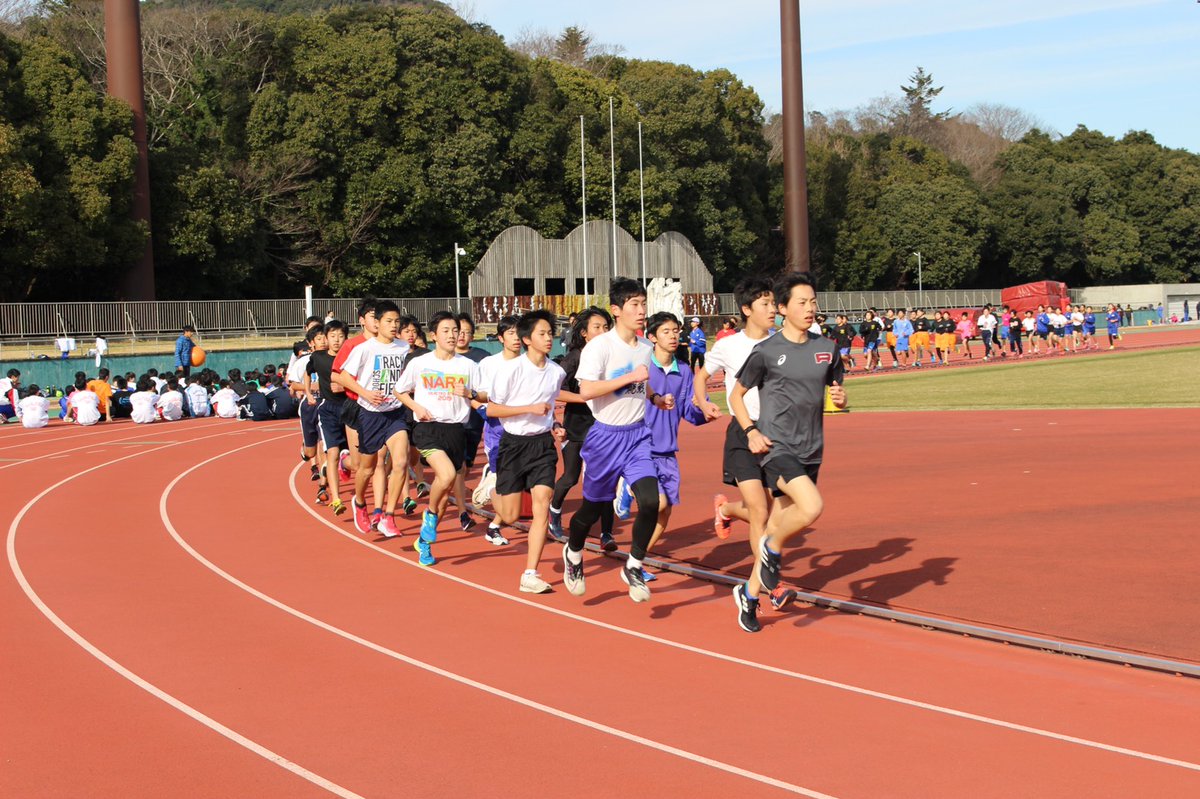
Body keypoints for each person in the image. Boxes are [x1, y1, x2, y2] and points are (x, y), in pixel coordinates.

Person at [729, 272, 847, 633]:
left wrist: (842, 400)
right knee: (812, 507)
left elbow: (836, 390)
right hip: (777, 448)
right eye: (802, 302)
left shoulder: (827, 348)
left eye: (813, 301)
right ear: (783, 309)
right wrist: (750, 432)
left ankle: (748, 595)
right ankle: (774, 550)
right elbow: (734, 396)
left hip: (813, 449)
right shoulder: (766, 351)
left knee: (776, 524)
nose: (810, 308)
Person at [562, 277, 665, 603]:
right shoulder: (599, 347)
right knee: (591, 511)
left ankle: (633, 565)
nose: (641, 310)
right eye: (634, 305)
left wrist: (655, 397)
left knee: (651, 501)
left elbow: (641, 384)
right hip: (605, 437)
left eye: (643, 304)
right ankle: (574, 552)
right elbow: (588, 390)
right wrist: (630, 377)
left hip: (637, 436)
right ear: (617, 310)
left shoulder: (646, 348)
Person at [484, 310, 567, 593]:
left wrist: (555, 424)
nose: (548, 338)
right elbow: (493, 409)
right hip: (512, 444)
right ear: (527, 339)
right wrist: (528, 409)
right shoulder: (510, 370)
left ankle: (530, 573)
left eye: (550, 333)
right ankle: (491, 486)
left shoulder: (557, 372)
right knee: (509, 516)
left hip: (542, 444)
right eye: (542, 334)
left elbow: (550, 404)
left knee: (542, 502)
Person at [394, 311, 480, 566]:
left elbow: (483, 395)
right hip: (428, 429)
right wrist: (417, 408)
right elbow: (400, 391)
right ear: (433, 336)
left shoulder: (468, 366)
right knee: (447, 476)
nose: (453, 335)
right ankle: (429, 517)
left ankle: (424, 543)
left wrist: (470, 392)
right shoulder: (420, 363)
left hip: (456, 430)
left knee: (443, 500)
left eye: (456, 330)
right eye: (446, 331)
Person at [628, 312, 709, 580]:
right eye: (666, 331)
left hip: (667, 451)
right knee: (658, 501)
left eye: (676, 330)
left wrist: (703, 410)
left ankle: (635, 563)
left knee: (665, 512)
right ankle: (624, 487)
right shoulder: (641, 368)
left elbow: (690, 411)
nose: (673, 335)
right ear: (651, 337)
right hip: (639, 447)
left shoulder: (683, 371)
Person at [334, 300, 411, 540]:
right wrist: (366, 393)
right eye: (389, 321)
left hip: (395, 413)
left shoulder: (403, 347)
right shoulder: (365, 348)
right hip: (369, 414)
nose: (394, 325)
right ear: (376, 323)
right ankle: (359, 502)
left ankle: (388, 516)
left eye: (397, 321)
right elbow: (343, 378)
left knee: (400, 462)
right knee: (366, 468)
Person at [549, 308, 617, 549]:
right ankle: (554, 511)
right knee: (570, 476)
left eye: (606, 327)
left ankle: (607, 533)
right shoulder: (575, 357)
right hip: (577, 426)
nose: (603, 331)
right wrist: (585, 397)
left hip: (605, 425)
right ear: (584, 333)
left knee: (604, 478)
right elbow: (555, 390)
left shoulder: (613, 356)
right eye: (596, 327)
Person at [474, 315, 523, 530]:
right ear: (501, 337)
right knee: (504, 480)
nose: (517, 338)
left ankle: (494, 525)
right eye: (511, 333)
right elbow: (476, 395)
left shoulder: (531, 362)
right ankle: (491, 485)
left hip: (525, 429)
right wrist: (488, 406)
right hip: (497, 429)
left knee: (520, 479)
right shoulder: (489, 364)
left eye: (520, 332)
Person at [308, 319, 350, 515]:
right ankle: (336, 498)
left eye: (341, 336)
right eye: (332, 336)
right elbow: (308, 372)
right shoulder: (317, 357)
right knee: (331, 454)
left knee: (359, 460)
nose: (336, 340)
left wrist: (345, 386)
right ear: (325, 338)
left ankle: (345, 463)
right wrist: (308, 392)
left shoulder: (352, 358)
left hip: (350, 408)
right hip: (329, 410)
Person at [453, 313, 490, 531]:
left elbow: (487, 389)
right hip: (450, 419)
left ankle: (459, 487)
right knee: (453, 465)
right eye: (459, 331)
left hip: (473, 419)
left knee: (466, 463)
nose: (462, 336)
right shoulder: (443, 358)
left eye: (467, 332)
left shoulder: (482, 358)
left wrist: (474, 395)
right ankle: (461, 508)